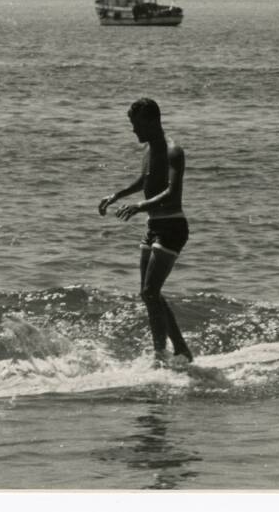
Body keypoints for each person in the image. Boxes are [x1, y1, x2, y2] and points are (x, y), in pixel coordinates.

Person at [98, 98, 194, 366]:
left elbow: (172, 191)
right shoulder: (148, 150)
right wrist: (117, 195)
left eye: (136, 124)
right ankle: (176, 351)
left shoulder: (174, 150)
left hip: (173, 227)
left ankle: (164, 353)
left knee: (151, 292)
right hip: (153, 227)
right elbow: (145, 181)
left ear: (152, 121)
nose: (133, 131)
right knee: (148, 292)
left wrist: (139, 206)